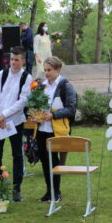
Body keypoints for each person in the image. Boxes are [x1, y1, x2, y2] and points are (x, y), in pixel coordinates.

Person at [0, 46, 33, 202]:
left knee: (17, 154)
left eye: (17, 59)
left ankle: (16, 188)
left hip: (14, 121)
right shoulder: (2, 74)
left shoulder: (26, 77)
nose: (13, 62)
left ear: (23, 60)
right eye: (11, 59)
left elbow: (22, 101)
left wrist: (4, 115)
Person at [35, 56, 78, 203]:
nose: (46, 73)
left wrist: (53, 115)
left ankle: (56, 192)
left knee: (54, 162)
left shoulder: (65, 86)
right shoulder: (41, 86)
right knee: (45, 162)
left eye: (49, 70)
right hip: (41, 129)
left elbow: (71, 109)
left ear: (58, 70)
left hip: (57, 130)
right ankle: (49, 191)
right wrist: (36, 114)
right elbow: (36, 104)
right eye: (45, 70)